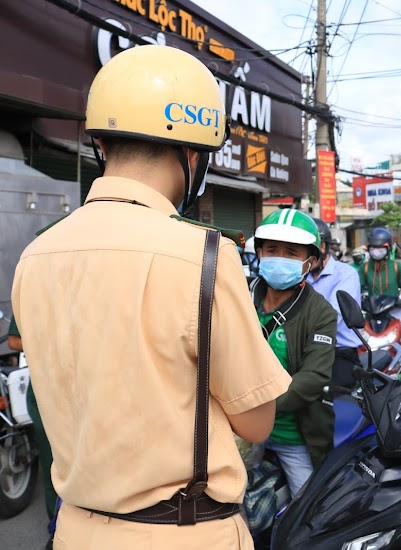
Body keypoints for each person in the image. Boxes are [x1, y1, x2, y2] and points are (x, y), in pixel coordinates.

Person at [12, 45, 291, 548]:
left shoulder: (36, 255)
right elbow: (256, 422)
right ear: (193, 154)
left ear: (101, 143)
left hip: (75, 530)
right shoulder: (205, 255)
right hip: (185, 534)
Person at [249, 210, 337, 496]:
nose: (280, 258)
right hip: (237, 426)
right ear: (259, 253)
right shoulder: (240, 296)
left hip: (291, 435)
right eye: (272, 250)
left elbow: (313, 377)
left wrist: (256, 408)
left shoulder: (321, 312)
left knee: (307, 507)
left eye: (291, 253)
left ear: (310, 261)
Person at [7, 314, 59, 548]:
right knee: (53, 465)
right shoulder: (30, 291)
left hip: (81, 385)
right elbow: (14, 341)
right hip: (45, 391)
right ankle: (57, 527)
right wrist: (54, 342)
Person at [307, 217, 364, 388]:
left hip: (338, 352)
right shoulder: (299, 275)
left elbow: (332, 316)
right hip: (303, 350)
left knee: (337, 398)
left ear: (323, 247)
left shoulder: (345, 274)